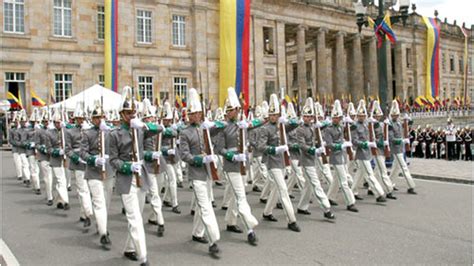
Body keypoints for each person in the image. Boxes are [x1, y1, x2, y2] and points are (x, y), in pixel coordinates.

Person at [108, 86, 161, 265]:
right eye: (128, 112)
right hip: (126, 179)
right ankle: (143, 256)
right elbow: (113, 160)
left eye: (133, 112)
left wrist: (144, 125)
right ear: (121, 114)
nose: (132, 115)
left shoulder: (140, 128)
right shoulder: (114, 134)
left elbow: (161, 129)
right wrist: (127, 166)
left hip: (141, 178)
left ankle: (130, 248)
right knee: (135, 218)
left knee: (137, 214)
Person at [215, 87, 260, 245]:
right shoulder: (223, 126)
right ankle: (250, 228)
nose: (236, 112)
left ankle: (230, 221)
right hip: (232, 165)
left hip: (244, 164)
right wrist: (232, 155)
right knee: (241, 197)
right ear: (228, 112)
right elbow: (219, 148)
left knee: (236, 195)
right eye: (233, 110)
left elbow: (259, 122)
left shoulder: (243, 124)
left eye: (237, 109)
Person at [179, 88, 221, 255]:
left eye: (198, 113)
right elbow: (184, 155)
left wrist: (212, 157)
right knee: (205, 206)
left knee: (201, 204)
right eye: (193, 113)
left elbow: (220, 131)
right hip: (196, 174)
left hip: (208, 173)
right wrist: (200, 159)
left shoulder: (205, 128)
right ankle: (213, 239)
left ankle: (197, 233)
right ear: (189, 115)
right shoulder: (185, 132)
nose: (196, 116)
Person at [258, 93, 301, 232]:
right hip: (272, 161)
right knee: (283, 189)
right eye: (271, 115)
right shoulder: (265, 128)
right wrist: (275, 149)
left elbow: (296, 123)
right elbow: (261, 146)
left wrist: (287, 120)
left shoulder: (282, 125)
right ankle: (291, 219)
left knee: (276, 188)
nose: (273, 117)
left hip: (282, 161)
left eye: (275, 114)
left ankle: (267, 212)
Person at [294, 97, 335, 219]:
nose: (307, 118)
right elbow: (302, 145)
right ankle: (326, 208)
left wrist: (319, 145)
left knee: (308, 185)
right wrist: (314, 149)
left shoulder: (313, 127)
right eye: (305, 116)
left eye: (309, 116)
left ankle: (302, 207)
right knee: (316, 184)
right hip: (306, 160)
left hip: (313, 159)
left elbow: (316, 139)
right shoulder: (300, 129)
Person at [80, 100, 112, 250]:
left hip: (109, 172)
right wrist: (94, 159)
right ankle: (104, 233)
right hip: (93, 172)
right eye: (96, 118)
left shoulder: (110, 132)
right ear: (92, 119)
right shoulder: (87, 133)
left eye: (101, 117)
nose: (99, 120)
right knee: (99, 202)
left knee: (106, 202)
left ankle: (102, 224)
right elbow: (83, 153)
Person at [323, 100, 358, 212]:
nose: (336, 119)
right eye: (335, 118)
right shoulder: (328, 129)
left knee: (336, 180)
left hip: (342, 156)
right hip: (336, 156)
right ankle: (350, 202)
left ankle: (330, 197)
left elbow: (353, 129)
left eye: (338, 118)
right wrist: (341, 145)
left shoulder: (341, 127)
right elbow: (329, 144)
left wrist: (351, 122)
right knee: (343, 180)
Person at [350, 100, 386, 203]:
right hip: (361, 153)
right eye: (360, 115)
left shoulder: (367, 124)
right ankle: (379, 194)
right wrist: (365, 144)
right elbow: (354, 141)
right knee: (369, 174)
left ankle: (353, 191)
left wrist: (372, 141)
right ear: (357, 116)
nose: (362, 117)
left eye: (363, 115)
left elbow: (372, 135)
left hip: (367, 152)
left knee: (360, 174)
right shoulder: (354, 126)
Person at [388, 100, 417, 194]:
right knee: (404, 167)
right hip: (395, 147)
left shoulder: (399, 123)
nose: (395, 116)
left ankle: (390, 183)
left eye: (396, 115)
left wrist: (407, 118)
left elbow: (407, 126)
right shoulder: (389, 125)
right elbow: (391, 138)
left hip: (400, 148)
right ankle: (411, 186)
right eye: (393, 115)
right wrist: (402, 140)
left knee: (396, 168)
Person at [45, 107, 70, 210]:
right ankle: (65, 201)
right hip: (55, 159)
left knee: (64, 180)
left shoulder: (66, 132)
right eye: (56, 123)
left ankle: (59, 201)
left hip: (66, 158)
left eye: (59, 122)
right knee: (60, 180)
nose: (58, 124)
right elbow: (48, 149)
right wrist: (57, 151)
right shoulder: (49, 133)